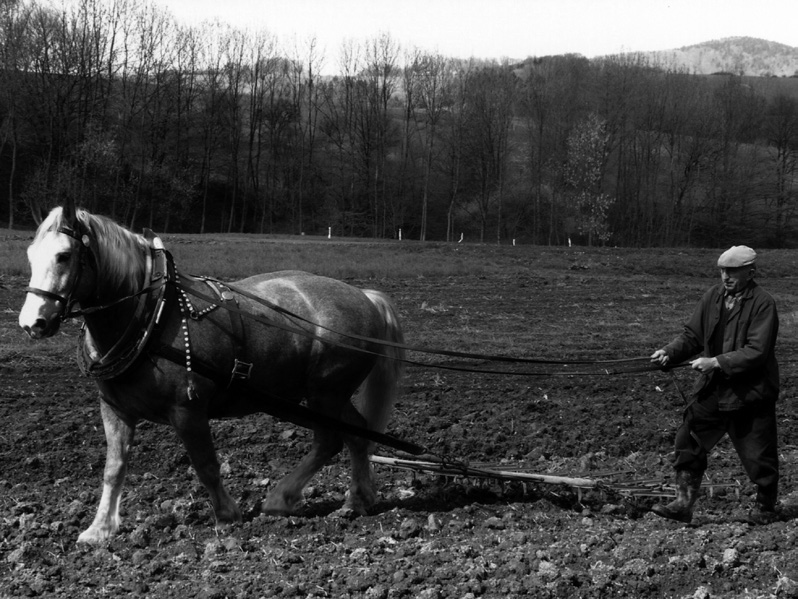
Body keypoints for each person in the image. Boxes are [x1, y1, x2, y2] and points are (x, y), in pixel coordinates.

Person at [650, 245, 780, 525]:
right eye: (722, 271)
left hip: (750, 393)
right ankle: (683, 504)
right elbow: (692, 336)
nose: (725, 277)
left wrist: (716, 361)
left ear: (750, 272)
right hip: (714, 389)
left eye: (732, 272)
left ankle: (766, 507)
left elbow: (757, 351)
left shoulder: (763, 303)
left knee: (759, 454)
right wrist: (669, 352)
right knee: (689, 438)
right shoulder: (712, 297)